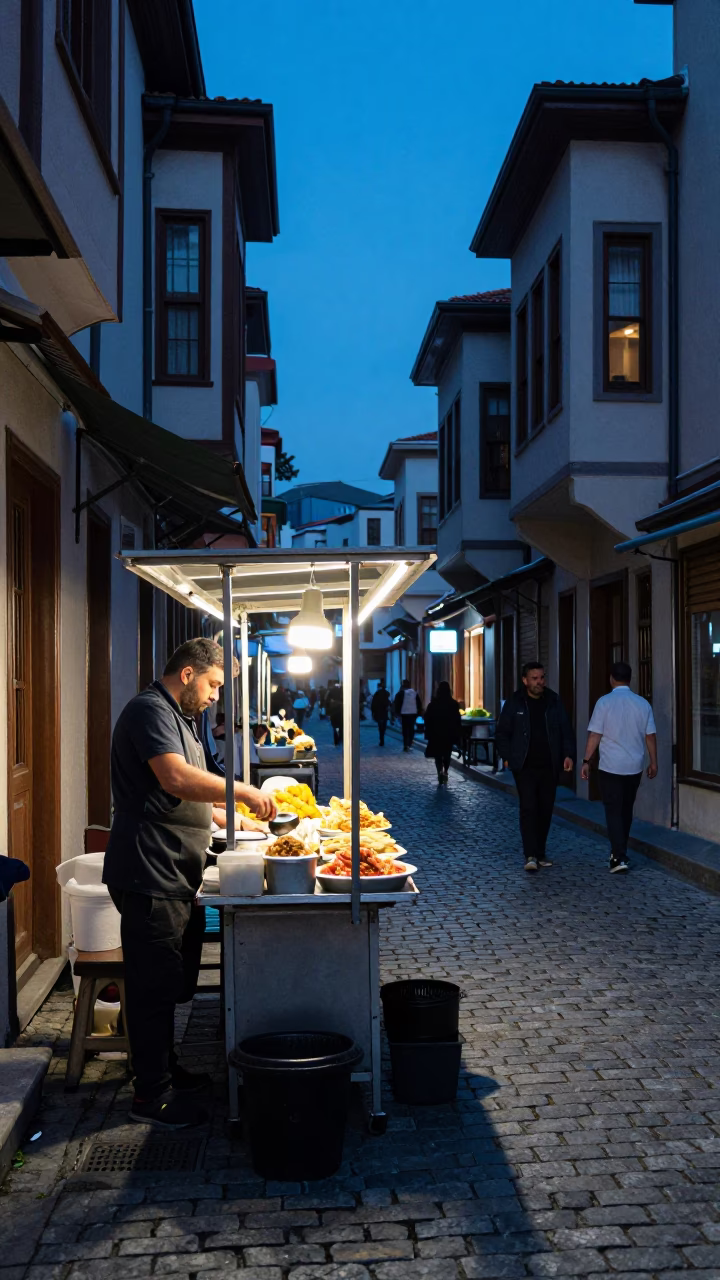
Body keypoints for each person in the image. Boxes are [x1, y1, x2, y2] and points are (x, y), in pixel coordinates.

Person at [103, 638, 277, 1129]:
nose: (215, 697)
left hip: (178, 871)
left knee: (172, 979)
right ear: (187, 674)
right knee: (153, 984)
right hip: (148, 869)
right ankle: (150, 1096)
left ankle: (161, 1066)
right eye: (214, 685)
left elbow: (194, 795)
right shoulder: (148, 711)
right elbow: (176, 779)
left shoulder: (183, 719)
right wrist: (241, 791)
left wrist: (232, 817)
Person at [496, 662, 575, 873]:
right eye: (535, 678)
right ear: (525, 680)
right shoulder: (515, 702)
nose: (539, 682)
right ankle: (530, 854)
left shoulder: (553, 700)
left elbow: (565, 729)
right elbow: (503, 732)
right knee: (529, 807)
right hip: (524, 765)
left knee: (545, 809)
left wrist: (568, 754)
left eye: (541, 677)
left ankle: (540, 852)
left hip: (549, 765)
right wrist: (507, 757)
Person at [581, 661, 657, 874]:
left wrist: (586, 761)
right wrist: (654, 761)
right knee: (625, 810)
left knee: (613, 810)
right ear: (630, 679)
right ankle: (620, 851)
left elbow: (595, 734)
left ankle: (618, 856)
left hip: (610, 766)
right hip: (634, 766)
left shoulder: (604, 703)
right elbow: (650, 736)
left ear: (612, 678)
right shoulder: (643, 704)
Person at [424, 681, 462, 783]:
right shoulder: (453, 704)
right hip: (448, 733)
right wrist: (457, 733)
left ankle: (439, 772)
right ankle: (445, 771)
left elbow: (427, 718)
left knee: (438, 755)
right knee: (447, 754)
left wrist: (428, 732)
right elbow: (457, 719)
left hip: (436, 733)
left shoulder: (433, 704)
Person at [394, 679, 423, 752]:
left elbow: (397, 703)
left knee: (405, 729)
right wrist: (419, 713)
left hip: (404, 714)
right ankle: (409, 743)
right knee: (411, 729)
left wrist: (397, 713)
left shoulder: (400, 693)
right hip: (413, 714)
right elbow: (419, 704)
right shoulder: (414, 693)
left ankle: (405, 744)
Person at [371, 679, 392, 747]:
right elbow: (389, 703)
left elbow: (373, 704)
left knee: (380, 726)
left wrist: (373, 712)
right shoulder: (386, 694)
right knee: (383, 727)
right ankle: (382, 738)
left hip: (378, 712)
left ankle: (381, 739)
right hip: (384, 712)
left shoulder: (376, 694)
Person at [326, 680, 344, 746]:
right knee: (341, 726)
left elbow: (326, 702)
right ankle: (341, 738)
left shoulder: (330, 691)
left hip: (333, 712)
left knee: (335, 726)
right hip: (342, 711)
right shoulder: (343, 690)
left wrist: (328, 713)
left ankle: (337, 740)